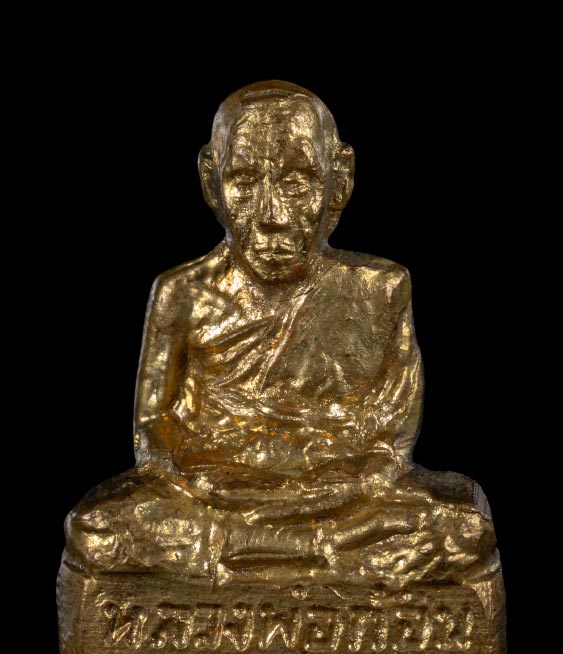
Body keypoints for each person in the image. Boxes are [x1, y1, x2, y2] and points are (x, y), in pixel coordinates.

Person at [64, 81, 499, 589]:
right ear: (211, 182)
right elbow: (153, 429)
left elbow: (391, 430)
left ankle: (252, 556)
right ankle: (319, 557)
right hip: (216, 496)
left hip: (342, 496)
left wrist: (343, 478)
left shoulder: (379, 289)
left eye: (296, 183)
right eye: (245, 181)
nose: (271, 215)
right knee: (99, 526)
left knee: (463, 527)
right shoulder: (182, 294)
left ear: (340, 180)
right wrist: (205, 477)